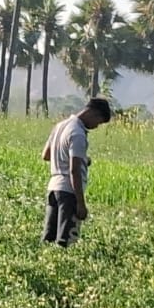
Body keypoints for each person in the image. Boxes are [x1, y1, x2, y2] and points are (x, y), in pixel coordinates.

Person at [41, 98, 112, 247]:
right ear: (93, 113)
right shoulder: (78, 133)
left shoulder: (60, 126)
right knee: (66, 242)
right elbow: (74, 170)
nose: (96, 127)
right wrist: (80, 203)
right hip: (68, 191)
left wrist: (82, 159)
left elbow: (46, 155)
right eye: (98, 122)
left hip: (53, 187)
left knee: (48, 239)